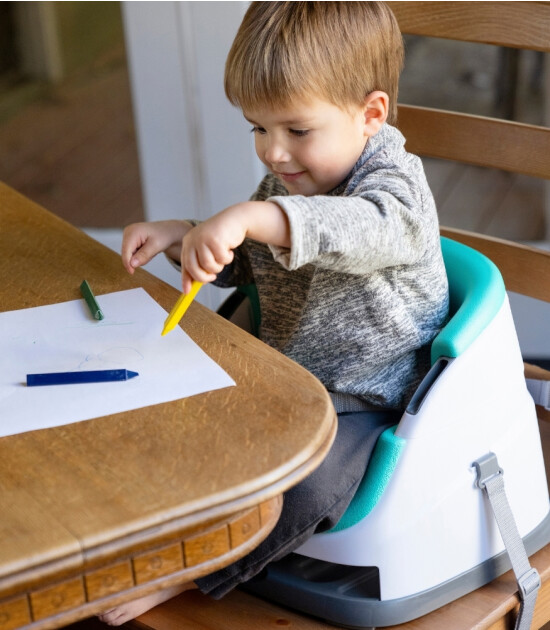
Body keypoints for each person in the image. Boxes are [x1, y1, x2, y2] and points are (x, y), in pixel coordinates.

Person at [98, 1, 449, 625]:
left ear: (371, 114)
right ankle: (146, 520)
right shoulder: (296, 178)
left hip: (365, 397)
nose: (273, 152)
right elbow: (253, 259)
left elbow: (356, 229)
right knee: (187, 419)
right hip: (284, 371)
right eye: (257, 129)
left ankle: (192, 571)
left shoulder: (397, 191)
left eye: (295, 130)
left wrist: (258, 217)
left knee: (302, 487)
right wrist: (186, 235)